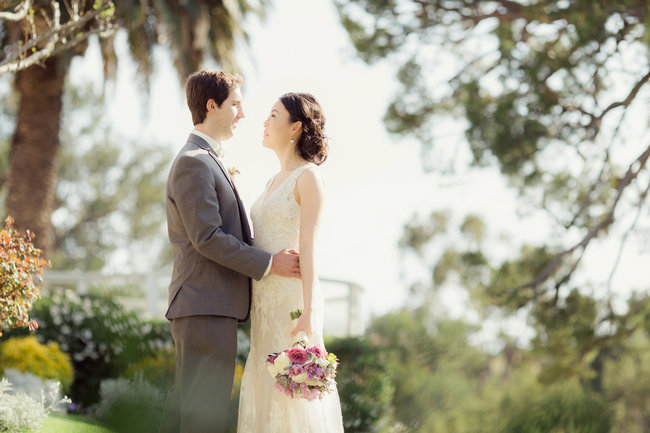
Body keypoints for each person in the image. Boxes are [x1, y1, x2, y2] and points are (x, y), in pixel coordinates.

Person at [159, 70, 301, 433]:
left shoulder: (207, 159)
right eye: (235, 103)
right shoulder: (194, 161)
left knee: (189, 411)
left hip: (209, 307)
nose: (242, 113)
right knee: (201, 415)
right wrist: (269, 263)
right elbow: (207, 237)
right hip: (204, 306)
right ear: (212, 105)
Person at [237, 93, 344, 432]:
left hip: (292, 302)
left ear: (295, 127)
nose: (264, 123)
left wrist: (310, 313)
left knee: (291, 394)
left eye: (273, 116)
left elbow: (309, 247)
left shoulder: (308, 177)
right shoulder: (270, 182)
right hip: (264, 301)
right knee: (265, 385)